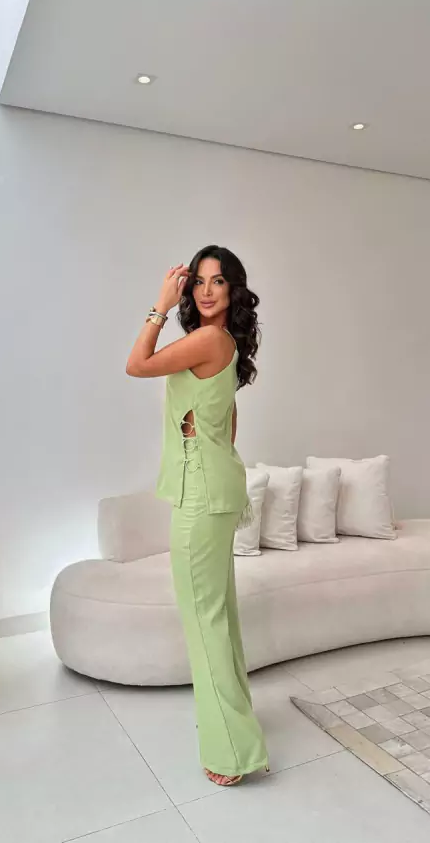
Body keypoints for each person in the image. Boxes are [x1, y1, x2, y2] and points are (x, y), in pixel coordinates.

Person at [126, 244, 268, 786]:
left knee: (204, 623)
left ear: (233, 290)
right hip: (217, 487)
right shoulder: (223, 343)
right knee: (219, 617)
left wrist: (158, 306)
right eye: (199, 282)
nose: (207, 291)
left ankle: (231, 752)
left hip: (201, 495)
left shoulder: (208, 340)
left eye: (218, 282)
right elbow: (229, 424)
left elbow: (137, 364)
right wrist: (198, 433)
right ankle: (237, 729)